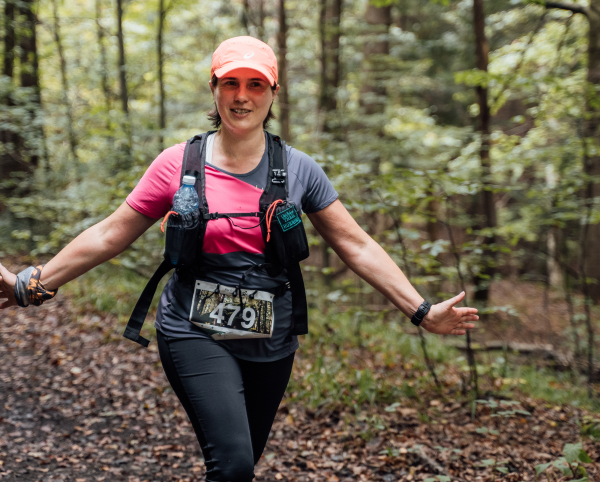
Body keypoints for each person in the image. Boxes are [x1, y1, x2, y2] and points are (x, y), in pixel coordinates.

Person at [0, 36, 479, 482]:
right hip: (192, 327)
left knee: (242, 460)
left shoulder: (299, 169)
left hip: (273, 337)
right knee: (232, 464)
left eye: (255, 84)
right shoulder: (177, 164)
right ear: (214, 89)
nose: (242, 96)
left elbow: (356, 245)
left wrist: (421, 310)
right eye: (230, 83)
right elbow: (109, 234)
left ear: (273, 93)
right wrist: (31, 283)